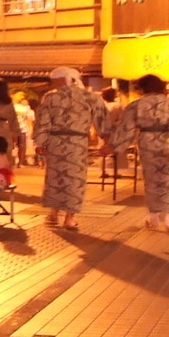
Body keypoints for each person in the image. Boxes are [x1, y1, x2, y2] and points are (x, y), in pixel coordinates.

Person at [110, 73, 169, 231]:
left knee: (152, 181)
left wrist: (116, 147)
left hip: (148, 145)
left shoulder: (136, 106)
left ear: (142, 88)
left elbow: (127, 130)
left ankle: (153, 217)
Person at [35, 66, 105, 230]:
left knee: (55, 178)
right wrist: (107, 140)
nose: (53, 84)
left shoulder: (50, 97)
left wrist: (40, 142)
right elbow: (102, 121)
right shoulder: (90, 97)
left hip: (56, 142)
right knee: (75, 179)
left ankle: (53, 213)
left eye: (55, 80)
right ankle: (69, 217)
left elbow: (43, 121)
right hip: (78, 143)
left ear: (64, 79)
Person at [13, 90, 38, 167]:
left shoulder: (25, 108)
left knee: (19, 146)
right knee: (20, 146)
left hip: (21, 129)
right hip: (18, 128)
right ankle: (18, 161)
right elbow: (31, 118)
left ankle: (19, 161)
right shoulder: (15, 107)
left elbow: (30, 117)